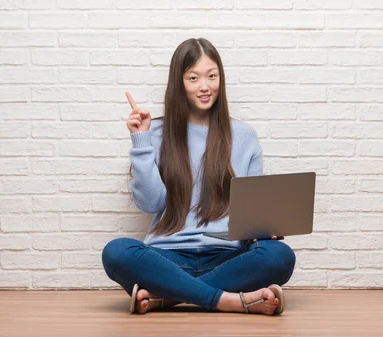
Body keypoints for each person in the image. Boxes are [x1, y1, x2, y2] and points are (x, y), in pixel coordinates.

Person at [101, 38, 296, 315]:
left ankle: (167, 297)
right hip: (167, 258)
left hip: (227, 257)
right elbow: (151, 204)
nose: (205, 86)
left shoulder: (244, 136)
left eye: (212, 76)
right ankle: (229, 300)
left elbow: (251, 216)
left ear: (221, 79)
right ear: (179, 83)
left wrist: (263, 229)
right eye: (193, 78)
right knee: (117, 252)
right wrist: (140, 140)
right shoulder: (155, 133)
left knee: (279, 256)